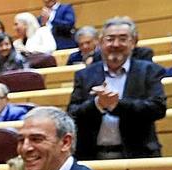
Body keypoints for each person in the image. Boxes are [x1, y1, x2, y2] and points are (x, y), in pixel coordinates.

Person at [68, 16, 166, 160]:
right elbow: (72, 114)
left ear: (133, 43)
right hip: (91, 156)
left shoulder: (149, 71)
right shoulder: (84, 75)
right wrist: (97, 105)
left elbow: (158, 109)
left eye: (123, 39)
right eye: (110, 39)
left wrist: (117, 105)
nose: (115, 44)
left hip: (138, 155)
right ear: (101, 43)